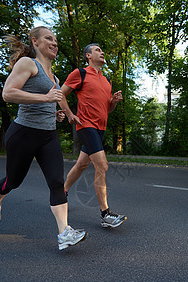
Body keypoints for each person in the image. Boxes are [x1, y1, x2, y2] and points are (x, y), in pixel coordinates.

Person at [0, 26, 86, 251]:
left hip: (48, 135)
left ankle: (64, 233)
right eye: (48, 38)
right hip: (23, 133)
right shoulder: (28, 64)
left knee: (57, 182)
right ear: (35, 42)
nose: (54, 43)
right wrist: (46, 98)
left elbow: (47, 101)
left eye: (56, 40)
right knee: (13, 182)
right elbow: (8, 94)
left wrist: (56, 113)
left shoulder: (55, 76)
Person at [60, 43, 127, 228]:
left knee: (82, 164)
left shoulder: (106, 81)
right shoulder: (80, 73)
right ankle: (105, 214)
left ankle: (62, 192)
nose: (102, 52)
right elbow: (60, 94)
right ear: (88, 55)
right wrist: (69, 114)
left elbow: (108, 110)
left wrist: (113, 102)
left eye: (102, 50)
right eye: (97, 50)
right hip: (86, 125)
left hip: (101, 128)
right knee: (102, 166)